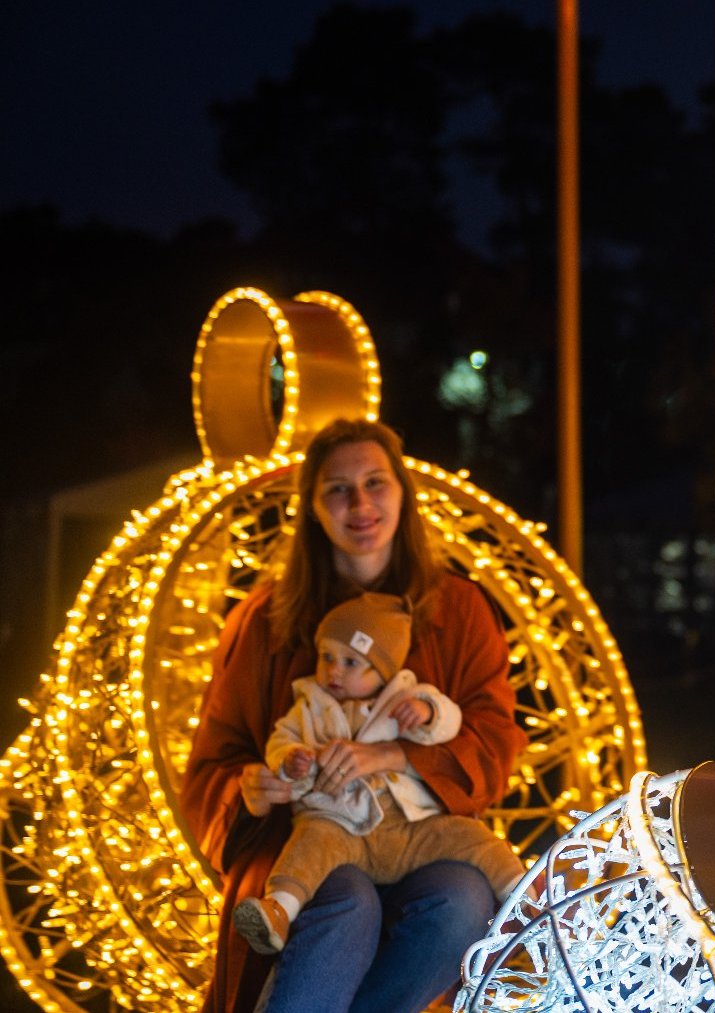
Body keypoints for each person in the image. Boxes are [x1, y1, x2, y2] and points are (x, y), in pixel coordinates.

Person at [181, 418, 528, 1013]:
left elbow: (495, 737)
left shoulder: (461, 610)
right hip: (310, 836)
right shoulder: (266, 620)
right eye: (338, 490)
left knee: (465, 898)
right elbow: (215, 760)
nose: (360, 504)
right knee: (346, 902)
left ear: (403, 494)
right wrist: (255, 788)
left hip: (418, 835)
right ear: (313, 508)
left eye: (376, 483)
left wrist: (394, 753)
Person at [231, 591, 524, 955]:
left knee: (470, 835)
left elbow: (449, 722)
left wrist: (428, 712)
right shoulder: (308, 707)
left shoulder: (403, 698)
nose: (334, 670)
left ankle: (525, 901)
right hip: (340, 824)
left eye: (352, 662)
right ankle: (278, 910)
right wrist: (290, 760)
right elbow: (281, 741)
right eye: (327, 657)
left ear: (383, 671)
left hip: (407, 825)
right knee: (307, 847)